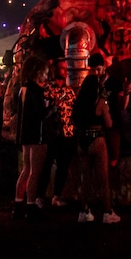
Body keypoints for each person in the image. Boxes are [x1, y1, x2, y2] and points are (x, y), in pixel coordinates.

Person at [73, 54, 120, 223]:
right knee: (103, 179)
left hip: (82, 139)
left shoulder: (79, 102)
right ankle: (107, 212)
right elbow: (109, 124)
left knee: (85, 178)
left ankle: (84, 211)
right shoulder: (100, 101)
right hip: (97, 138)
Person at [12, 55, 50, 218]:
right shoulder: (36, 90)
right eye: (45, 73)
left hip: (25, 135)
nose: (46, 77)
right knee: (35, 171)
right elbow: (41, 113)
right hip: (37, 135)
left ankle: (18, 203)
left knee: (26, 169)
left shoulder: (23, 89)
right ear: (38, 73)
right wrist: (52, 107)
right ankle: (31, 205)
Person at [37, 58, 77, 207]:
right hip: (51, 134)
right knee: (46, 166)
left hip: (67, 133)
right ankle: (40, 196)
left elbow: (73, 111)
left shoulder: (69, 91)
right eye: (62, 68)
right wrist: (54, 106)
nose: (65, 71)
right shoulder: (47, 89)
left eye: (66, 68)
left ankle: (57, 195)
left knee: (63, 166)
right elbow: (43, 112)